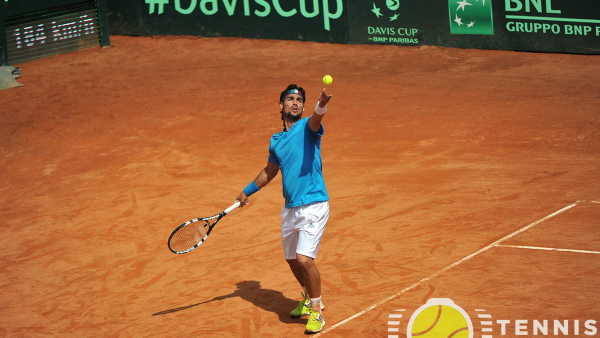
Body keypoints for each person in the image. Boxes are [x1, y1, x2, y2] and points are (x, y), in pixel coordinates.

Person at [236, 84, 332, 334]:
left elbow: (317, 117)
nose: (295, 103)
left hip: (313, 204)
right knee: (291, 259)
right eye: (290, 99)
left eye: (299, 100)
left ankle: (317, 311)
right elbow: (270, 171)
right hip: (290, 209)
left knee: (305, 260)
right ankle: (307, 296)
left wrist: (321, 104)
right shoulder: (276, 140)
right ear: (281, 106)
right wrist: (247, 191)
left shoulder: (307, 129)